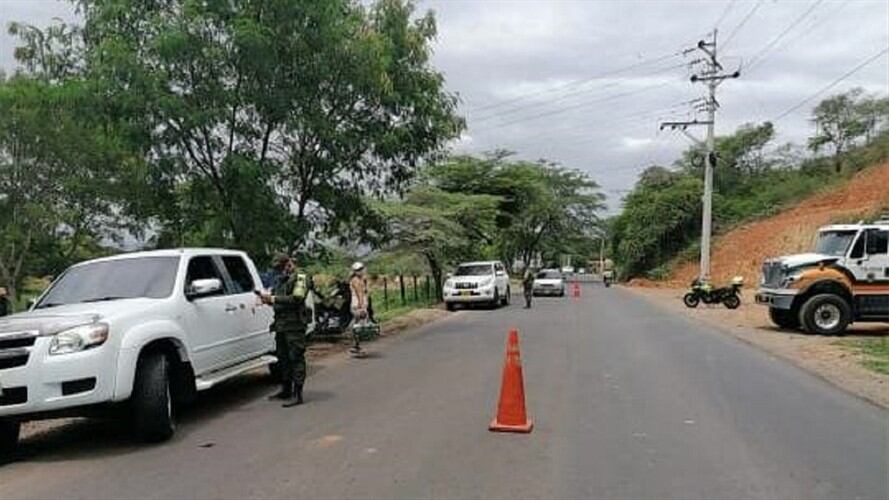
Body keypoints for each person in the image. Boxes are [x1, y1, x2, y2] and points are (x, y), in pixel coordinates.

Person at [260, 255, 311, 407]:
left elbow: (297, 298)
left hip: (294, 325)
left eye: (284, 266)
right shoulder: (281, 279)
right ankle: (286, 389)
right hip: (281, 325)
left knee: (296, 357)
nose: (283, 270)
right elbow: (278, 299)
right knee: (283, 358)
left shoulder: (301, 277)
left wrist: (274, 299)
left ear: (290, 263)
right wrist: (267, 300)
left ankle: (298, 393)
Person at [348, 262, 369, 356]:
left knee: (357, 325)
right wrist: (362, 307)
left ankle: (356, 346)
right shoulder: (356, 280)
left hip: (358, 304)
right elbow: (359, 293)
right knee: (359, 327)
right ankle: (356, 347)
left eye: (361, 269)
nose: (360, 271)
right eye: (358, 270)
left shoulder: (360, 279)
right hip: (358, 305)